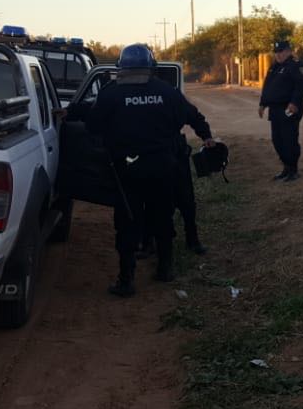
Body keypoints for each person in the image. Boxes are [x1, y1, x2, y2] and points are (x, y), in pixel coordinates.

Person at [85, 44, 215, 297]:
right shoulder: (167, 91)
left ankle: (126, 280)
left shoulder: (110, 94)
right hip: (163, 166)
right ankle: (165, 269)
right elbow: (192, 116)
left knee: (127, 222)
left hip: (127, 170)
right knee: (162, 216)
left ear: (121, 68)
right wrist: (206, 136)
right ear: (151, 67)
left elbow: (92, 127)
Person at [259, 40, 303, 182]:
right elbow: (267, 86)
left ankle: (293, 169)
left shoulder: (295, 65)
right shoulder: (274, 67)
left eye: (281, 51)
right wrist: (262, 104)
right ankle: (286, 167)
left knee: (289, 140)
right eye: (276, 52)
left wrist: (294, 102)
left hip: (290, 108)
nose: (278, 55)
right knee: (277, 140)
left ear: (288, 51)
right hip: (275, 109)